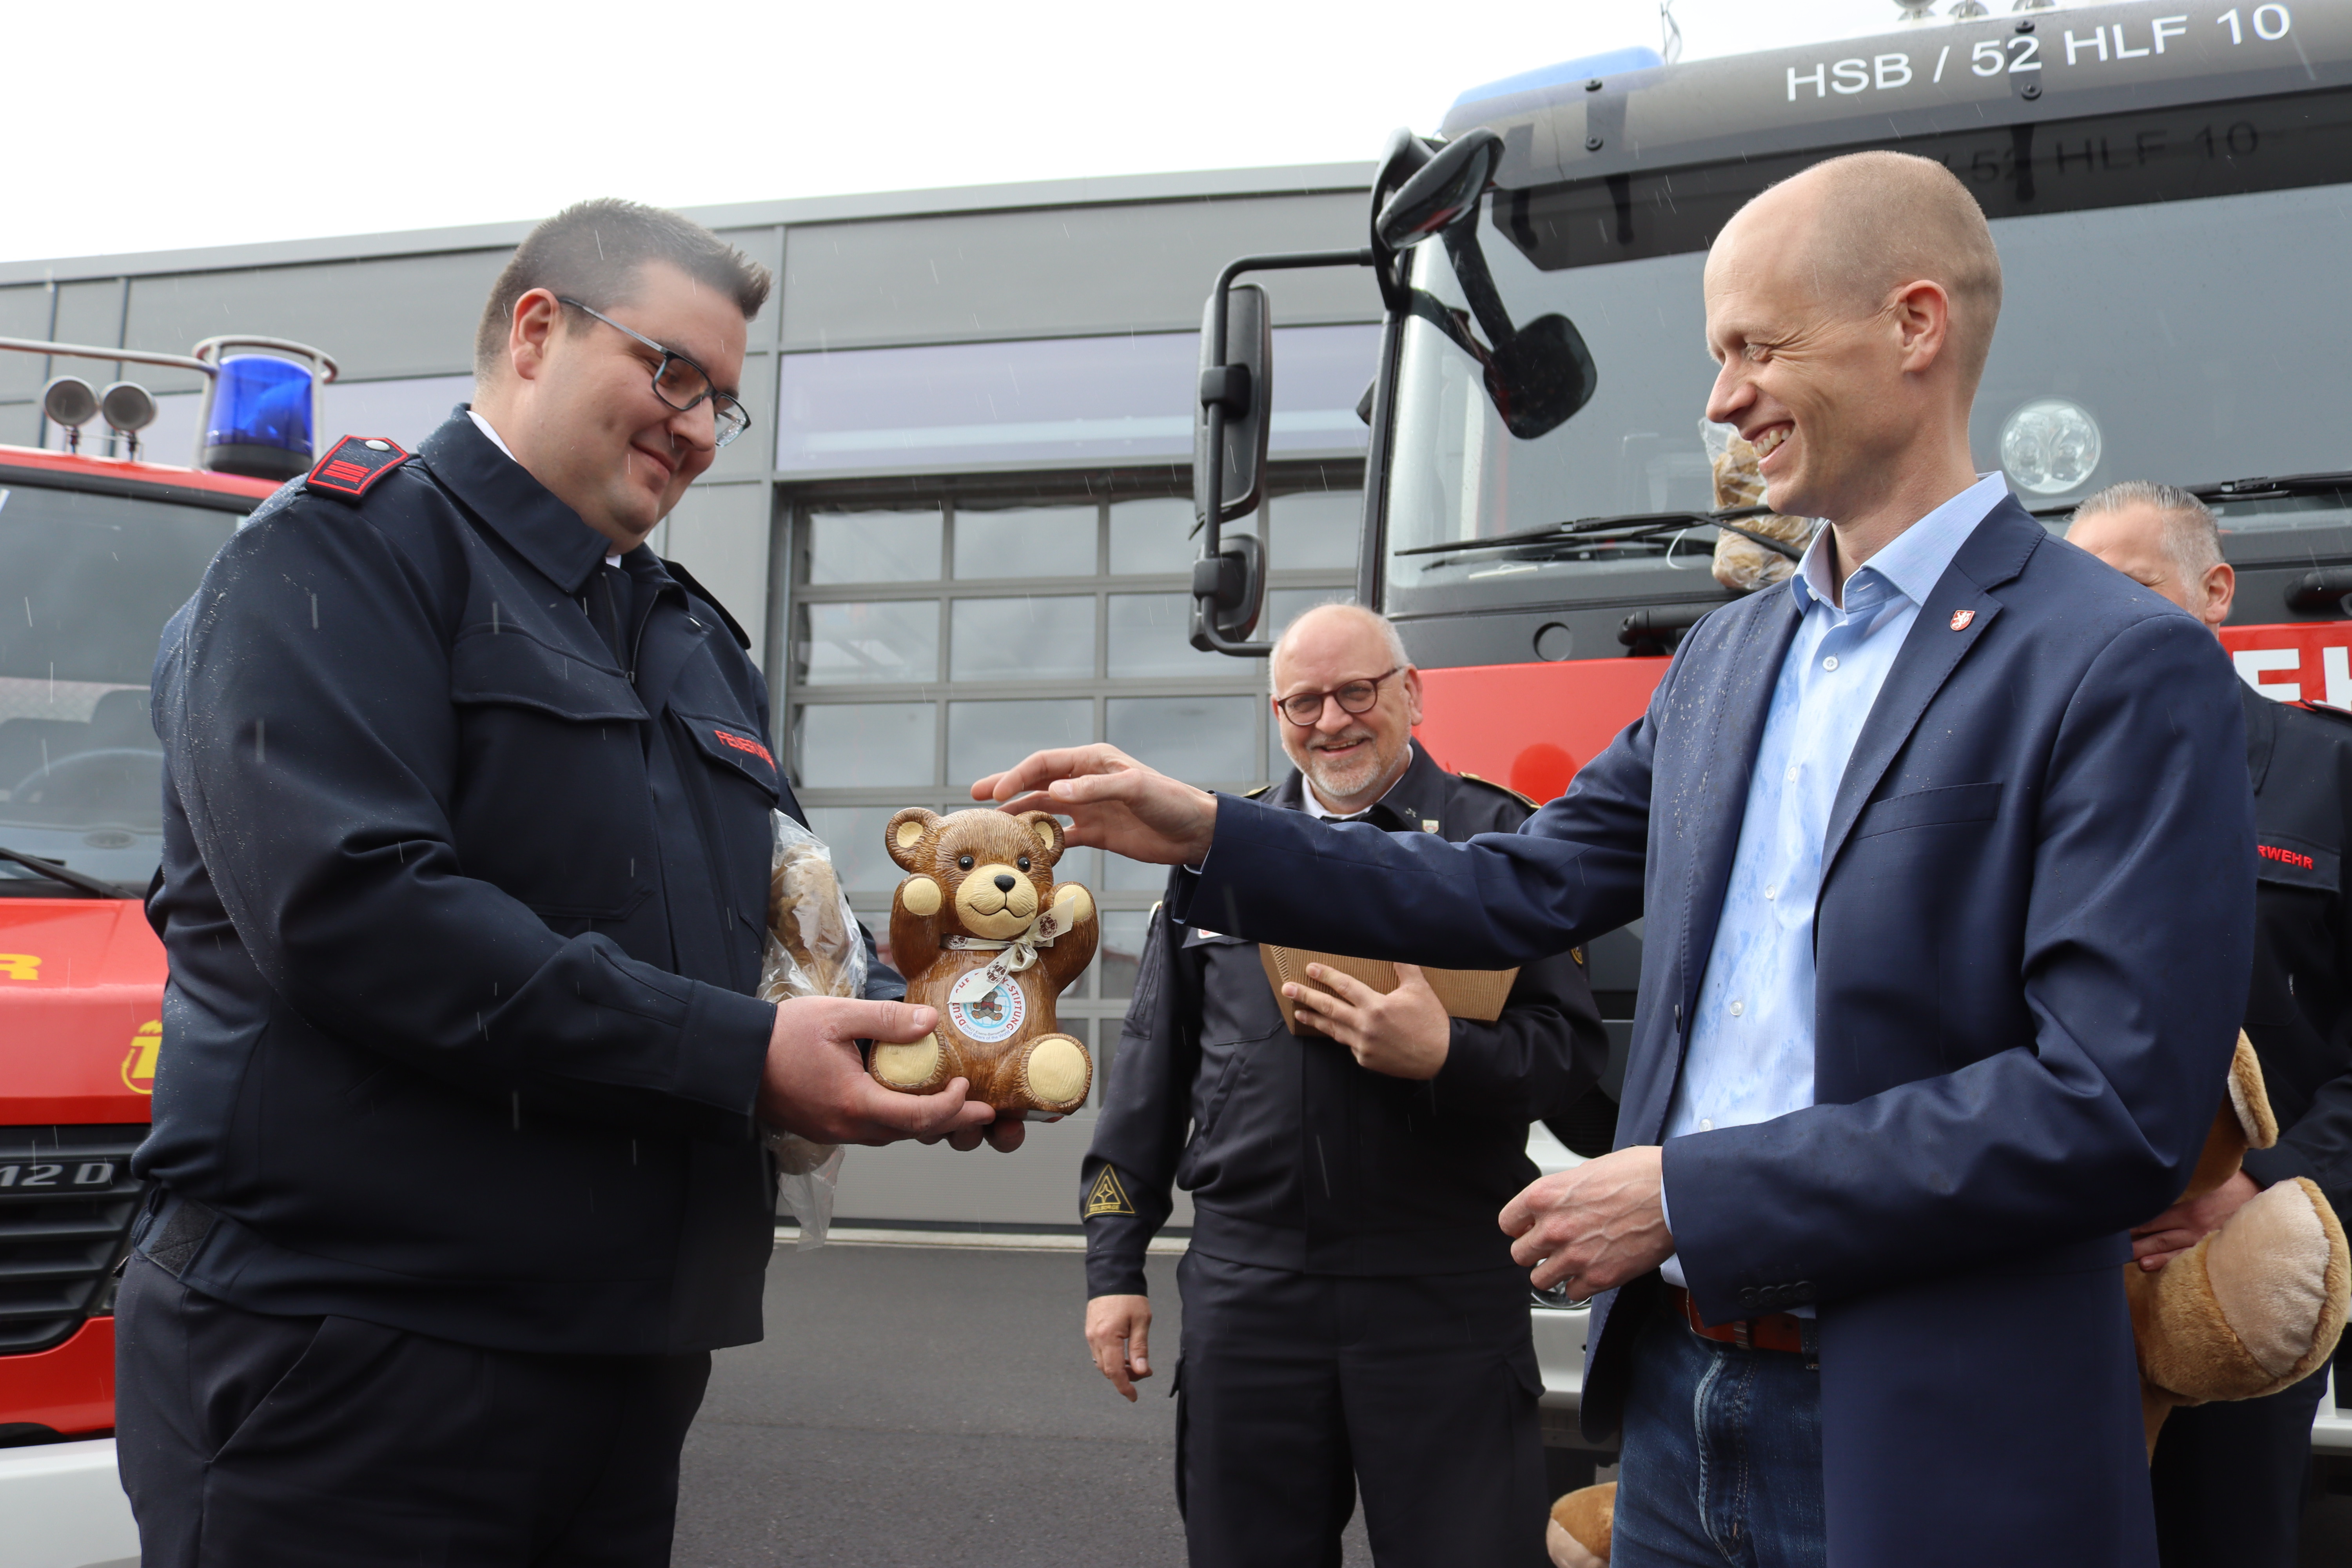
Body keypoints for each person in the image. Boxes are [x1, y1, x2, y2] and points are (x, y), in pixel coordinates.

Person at [980, 151, 2256, 1568]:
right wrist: (1215, 834)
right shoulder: (1725, 659)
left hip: (1938, 1435)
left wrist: (1692, 1197)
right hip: (1677, 1409)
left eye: (1757, 348)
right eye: (1719, 357)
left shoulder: (2117, 665)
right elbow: (1511, 888)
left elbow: (2111, 1108)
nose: (1721, 401)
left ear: (1914, 326)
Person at [121, 200, 1015, 1568]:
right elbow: (355, 913)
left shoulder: (686, 637)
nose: (700, 430)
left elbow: (770, 937)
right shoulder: (340, 558)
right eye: (674, 373)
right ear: (537, 331)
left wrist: (926, 1037)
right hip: (363, 1359)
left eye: (723, 403)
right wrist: (745, 1059)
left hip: (620, 1368)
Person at [1080, 603, 1608, 1568]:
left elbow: (1573, 1060)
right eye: (1304, 701)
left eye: (1357, 691)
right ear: (1278, 714)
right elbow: (1149, 1080)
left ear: (1412, 692)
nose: (1332, 720)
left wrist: (1447, 1051)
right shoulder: (1217, 853)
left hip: (1443, 1294)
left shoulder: (1500, 840)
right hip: (1252, 1293)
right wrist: (1113, 1269)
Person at [2068, 481, 2352, 1568]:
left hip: (2236, 1280)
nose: (2101, 618)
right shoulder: (2030, 785)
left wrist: (2264, 1187)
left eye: (2134, 586)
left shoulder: (2331, 774)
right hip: (2059, 1278)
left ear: (2216, 591)